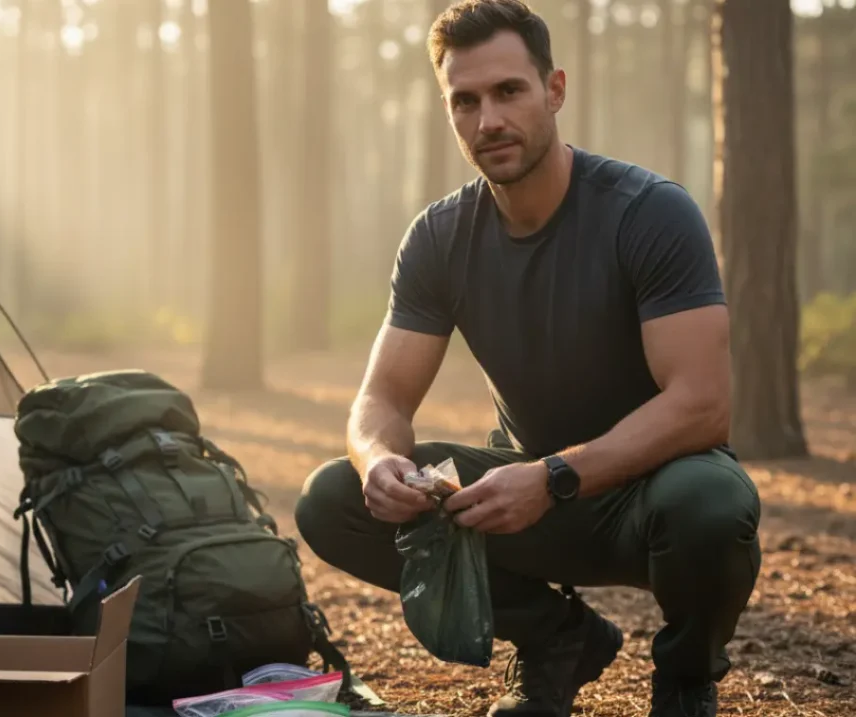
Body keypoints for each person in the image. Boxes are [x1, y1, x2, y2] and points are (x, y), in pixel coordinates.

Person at [294, 1, 762, 716]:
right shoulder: (440, 237)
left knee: (712, 502)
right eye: (466, 101)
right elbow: (381, 400)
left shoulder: (649, 212)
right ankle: (557, 639)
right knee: (333, 496)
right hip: (523, 494)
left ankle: (686, 679)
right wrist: (378, 459)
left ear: (555, 90)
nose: (489, 121)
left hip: (649, 496)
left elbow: (702, 402)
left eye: (509, 91)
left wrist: (555, 476)